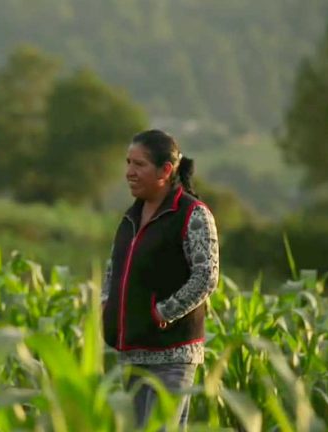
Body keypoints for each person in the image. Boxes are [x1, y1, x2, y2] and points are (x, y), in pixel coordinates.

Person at [101, 129, 219, 427]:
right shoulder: (130, 217)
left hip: (171, 355)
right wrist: (106, 305)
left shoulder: (193, 214)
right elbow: (113, 268)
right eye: (128, 162)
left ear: (165, 170)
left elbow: (206, 276)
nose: (129, 172)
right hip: (131, 354)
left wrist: (163, 312)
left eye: (138, 164)